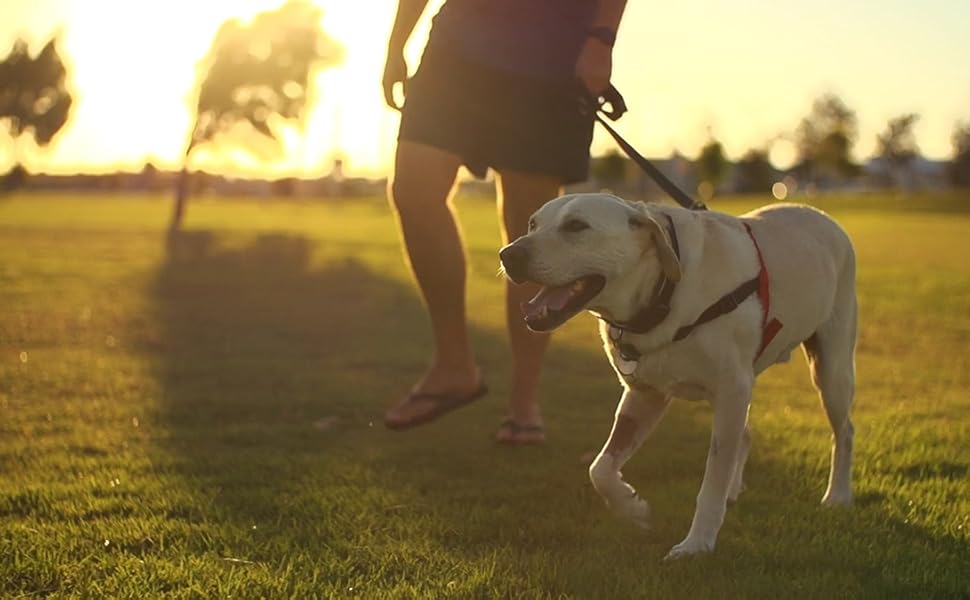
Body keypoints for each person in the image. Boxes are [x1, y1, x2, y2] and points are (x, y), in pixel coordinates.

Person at [382, 0, 628, 443]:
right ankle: (453, 366)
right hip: (456, 50)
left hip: (550, 59)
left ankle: (523, 401)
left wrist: (602, 39)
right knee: (413, 191)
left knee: (530, 232)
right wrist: (396, 43)